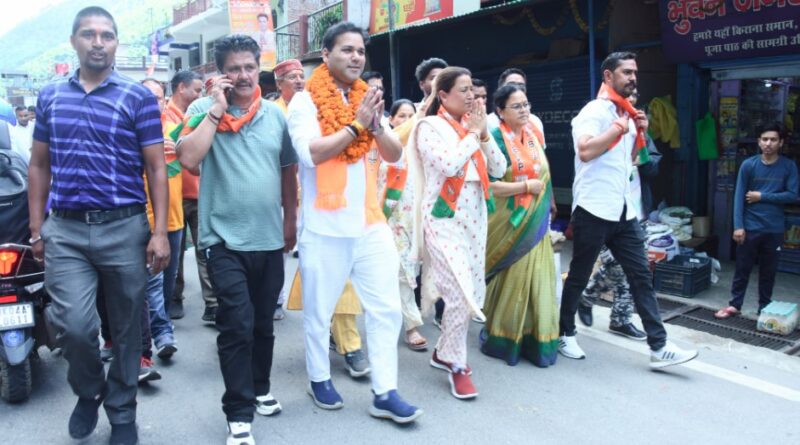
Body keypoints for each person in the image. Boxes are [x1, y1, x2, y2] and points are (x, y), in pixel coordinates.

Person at [28, 7, 169, 445]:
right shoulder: (51, 96)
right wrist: (36, 229)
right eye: (89, 34)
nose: (98, 42)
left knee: (126, 331)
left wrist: (159, 233)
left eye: (107, 35)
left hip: (124, 228)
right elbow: (38, 164)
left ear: (116, 43)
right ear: (74, 41)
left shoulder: (136, 97)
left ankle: (122, 413)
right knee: (72, 326)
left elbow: (156, 168)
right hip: (66, 231)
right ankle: (89, 391)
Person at [287, 21, 422, 423]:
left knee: (386, 310)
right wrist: (356, 125)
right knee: (319, 311)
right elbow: (311, 154)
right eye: (347, 50)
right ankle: (318, 377)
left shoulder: (367, 98)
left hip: (369, 223)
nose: (356, 57)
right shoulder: (305, 102)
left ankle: (385, 391)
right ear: (326, 55)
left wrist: (375, 123)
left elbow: (394, 154)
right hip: (325, 226)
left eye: (361, 51)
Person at [177, 34, 298, 445]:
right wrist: (216, 109)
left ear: (258, 69)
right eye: (234, 68)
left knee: (263, 324)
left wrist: (290, 220)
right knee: (237, 325)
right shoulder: (201, 110)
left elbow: (287, 171)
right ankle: (238, 413)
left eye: (249, 67)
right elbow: (188, 158)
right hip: (222, 239)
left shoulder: (275, 115)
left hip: (268, 238)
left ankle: (260, 388)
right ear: (221, 73)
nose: (244, 75)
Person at [560, 51, 698, 369]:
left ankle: (659, 346)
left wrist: (641, 132)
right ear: (608, 76)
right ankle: (565, 333)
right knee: (579, 275)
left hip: (624, 211)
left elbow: (633, 160)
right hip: (594, 207)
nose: (633, 78)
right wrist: (617, 129)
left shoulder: (629, 112)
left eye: (635, 72)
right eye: (626, 72)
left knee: (641, 276)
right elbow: (585, 150)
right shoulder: (594, 111)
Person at [409, 66, 507, 399]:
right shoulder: (428, 128)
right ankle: (457, 364)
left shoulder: (473, 127)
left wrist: (483, 135)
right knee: (460, 295)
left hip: (475, 221)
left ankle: (443, 353)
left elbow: (499, 168)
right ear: (443, 95)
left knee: (470, 291)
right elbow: (450, 164)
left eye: (473, 90)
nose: (472, 96)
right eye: (464, 90)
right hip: (443, 221)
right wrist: (472, 135)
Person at [479, 83, 559, 367]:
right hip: (507, 224)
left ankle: (535, 341)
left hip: (534, 223)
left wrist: (547, 201)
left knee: (538, 280)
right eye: (517, 106)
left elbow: (545, 175)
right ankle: (505, 339)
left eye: (526, 104)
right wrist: (525, 187)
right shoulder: (494, 139)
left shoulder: (533, 134)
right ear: (500, 111)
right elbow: (487, 186)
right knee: (510, 281)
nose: (524, 110)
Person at [577, 90, 662, 341]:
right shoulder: (601, 127)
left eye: (635, 98)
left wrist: (639, 155)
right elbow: (586, 163)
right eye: (627, 97)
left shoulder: (639, 129)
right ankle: (589, 296)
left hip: (635, 212)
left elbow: (653, 167)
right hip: (603, 210)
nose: (630, 101)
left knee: (634, 267)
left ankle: (618, 317)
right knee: (616, 263)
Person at [715, 123, 799, 319]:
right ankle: (735, 305)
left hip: (774, 228)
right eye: (765, 139)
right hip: (750, 227)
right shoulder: (749, 165)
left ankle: (764, 308)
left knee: (768, 272)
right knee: (742, 268)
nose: (768, 143)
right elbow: (738, 197)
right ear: (759, 142)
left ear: (781, 143)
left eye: (773, 140)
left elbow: (793, 195)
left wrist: (762, 196)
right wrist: (738, 226)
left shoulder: (788, 166)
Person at [378, 98, 427, 350]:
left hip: (414, 219)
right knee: (400, 271)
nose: (407, 121)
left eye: (411, 116)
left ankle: (401, 320)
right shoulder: (383, 143)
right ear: (391, 119)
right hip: (387, 216)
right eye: (402, 116)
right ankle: (411, 326)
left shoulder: (421, 147)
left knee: (409, 270)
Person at [140, 78, 180, 360]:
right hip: (142, 221)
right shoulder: (130, 129)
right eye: (146, 97)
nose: (152, 103)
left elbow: (193, 164)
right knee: (152, 281)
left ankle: (162, 327)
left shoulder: (177, 129)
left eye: (156, 98)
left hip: (174, 221)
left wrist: (178, 148)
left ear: (164, 102)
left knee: (167, 281)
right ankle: (162, 333)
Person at [167, 70, 210, 321]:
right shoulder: (164, 116)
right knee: (175, 252)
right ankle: (174, 297)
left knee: (205, 248)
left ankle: (212, 303)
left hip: (199, 193)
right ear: (181, 88)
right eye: (196, 89)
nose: (199, 94)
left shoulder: (199, 114)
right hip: (172, 196)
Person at [486, 68, 545, 145]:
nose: (517, 89)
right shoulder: (489, 123)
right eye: (511, 85)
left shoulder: (535, 122)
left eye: (521, 86)